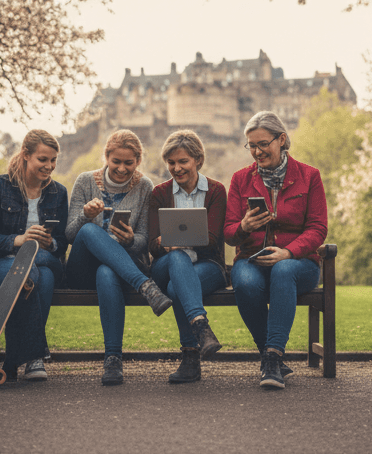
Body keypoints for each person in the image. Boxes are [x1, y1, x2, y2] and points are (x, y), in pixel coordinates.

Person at [225, 111, 327, 389]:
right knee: (243, 281)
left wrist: (289, 252)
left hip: (298, 263)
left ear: (281, 139)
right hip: (252, 259)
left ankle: (271, 357)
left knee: (283, 270)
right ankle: (271, 356)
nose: (257, 152)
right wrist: (244, 226)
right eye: (252, 146)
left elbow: (318, 228)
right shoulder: (240, 179)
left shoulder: (309, 176)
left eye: (263, 144)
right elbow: (228, 232)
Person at [65, 129, 171, 386]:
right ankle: (146, 286)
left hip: (121, 268)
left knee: (107, 271)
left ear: (138, 162)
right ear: (106, 158)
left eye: (129, 163)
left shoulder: (145, 186)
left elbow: (144, 239)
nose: (122, 168)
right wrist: (85, 216)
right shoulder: (84, 181)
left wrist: (130, 240)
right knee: (90, 230)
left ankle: (113, 359)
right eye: (116, 162)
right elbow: (69, 234)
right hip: (82, 269)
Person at [0, 129, 67, 385]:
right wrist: (19, 240)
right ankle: (33, 357)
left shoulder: (58, 193)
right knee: (35, 274)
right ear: (26, 155)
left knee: (43, 272)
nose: (49, 166)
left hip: (43, 260)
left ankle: (15, 361)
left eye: (53, 161)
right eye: (43, 159)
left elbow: (62, 244)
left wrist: (50, 244)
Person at [148, 129, 228, 384]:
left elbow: (214, 239)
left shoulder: (215, 191)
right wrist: (164, 244)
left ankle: (190, 357)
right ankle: (201, 326)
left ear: (198, 161)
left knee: (176, 286)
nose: (176, 168)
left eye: (183, 161)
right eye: (171, 162)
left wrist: (177, 240)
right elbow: (152, 244)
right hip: (167, 263)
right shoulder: (159, 193)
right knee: (177, 260)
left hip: (208, 265)